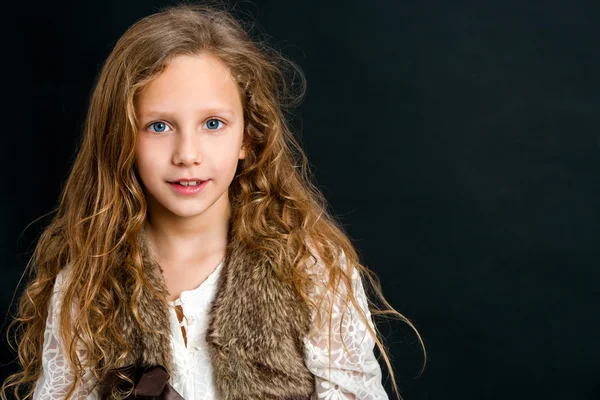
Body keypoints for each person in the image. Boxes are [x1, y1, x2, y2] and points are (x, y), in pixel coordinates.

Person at [2, 3, 426, 399]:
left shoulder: (310, 268)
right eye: (159, 126)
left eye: (213, 123)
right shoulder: (87, 284)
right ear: (122, 138)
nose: (188, 153)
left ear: (249, 136)